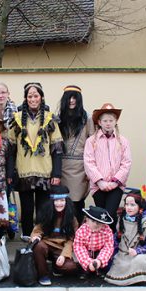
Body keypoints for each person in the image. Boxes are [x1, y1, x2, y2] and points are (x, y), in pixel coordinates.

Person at [7, 82, 63, 240]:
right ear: (25, 99)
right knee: (26, 207)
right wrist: (10, 172)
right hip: (24, 170)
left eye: (36, 96)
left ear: (41, 97)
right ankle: (26, 234)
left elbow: (57, 148)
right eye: (29, 96)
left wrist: (57, 173)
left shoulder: (50, 119)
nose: (33, 99)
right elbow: (11, 149)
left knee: (43, 207)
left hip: (44, 170)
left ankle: (40, 234)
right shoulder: (16, 119)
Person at [84, 103, 132, 231]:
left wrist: (115, 182)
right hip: (98, 186)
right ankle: (106, 241)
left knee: (109, 214)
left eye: (111, 120)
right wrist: (100, 182)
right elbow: (89, 162)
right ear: (99, 122)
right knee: (102, 216)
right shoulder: (91, 141)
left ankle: (111, 243)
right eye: (105, 120)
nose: (108, 123)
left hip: (116, 186)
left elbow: (126, 163)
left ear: (116, 121)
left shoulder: (122, 141)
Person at [58, 85, 94, 222]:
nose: (72, 101)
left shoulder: (87, 119)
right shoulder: (59, 118)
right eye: (69, 98)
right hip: (62, 165)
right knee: (62, 202)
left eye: (75, 98)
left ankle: (78, 232)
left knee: (77, 203)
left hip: (80, 167)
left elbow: (92, 143)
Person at [30, 185, 79, 286]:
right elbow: (37, 230)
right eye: (56, 201)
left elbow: (71, 240)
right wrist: (35, 236)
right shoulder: (46, 214)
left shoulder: (72, 218)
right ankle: (43, 275)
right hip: (46, 245)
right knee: (39, 246)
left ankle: (56, 268)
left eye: (62, 200)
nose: (59, 203)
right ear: (52, 201)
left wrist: (64, 255)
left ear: (66, 201)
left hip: (60, 248)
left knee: (71, 267)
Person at [105, 193, 146, 286]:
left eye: (132, 205)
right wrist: (112, 250)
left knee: (139, 261)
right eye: (127, 204)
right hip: (122, 253)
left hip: (138, 253)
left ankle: (137, 278)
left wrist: (138, 250)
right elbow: (117, 237)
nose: (129, 207)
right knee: (114, 261)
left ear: (139, 207)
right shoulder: (121, 219)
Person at [73, 206, 114, 279]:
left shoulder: (107, 230)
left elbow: (108, 247)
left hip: (99, 252)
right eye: (93, 221)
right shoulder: (81, 231)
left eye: (99, 223)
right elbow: (79, 247)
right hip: (86, 253)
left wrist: (100, 261)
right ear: (87, 220)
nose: (96, 224)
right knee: (77, 259)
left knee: (109, 259)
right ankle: (85, 270)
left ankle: (100, 269)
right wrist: (88, 263)